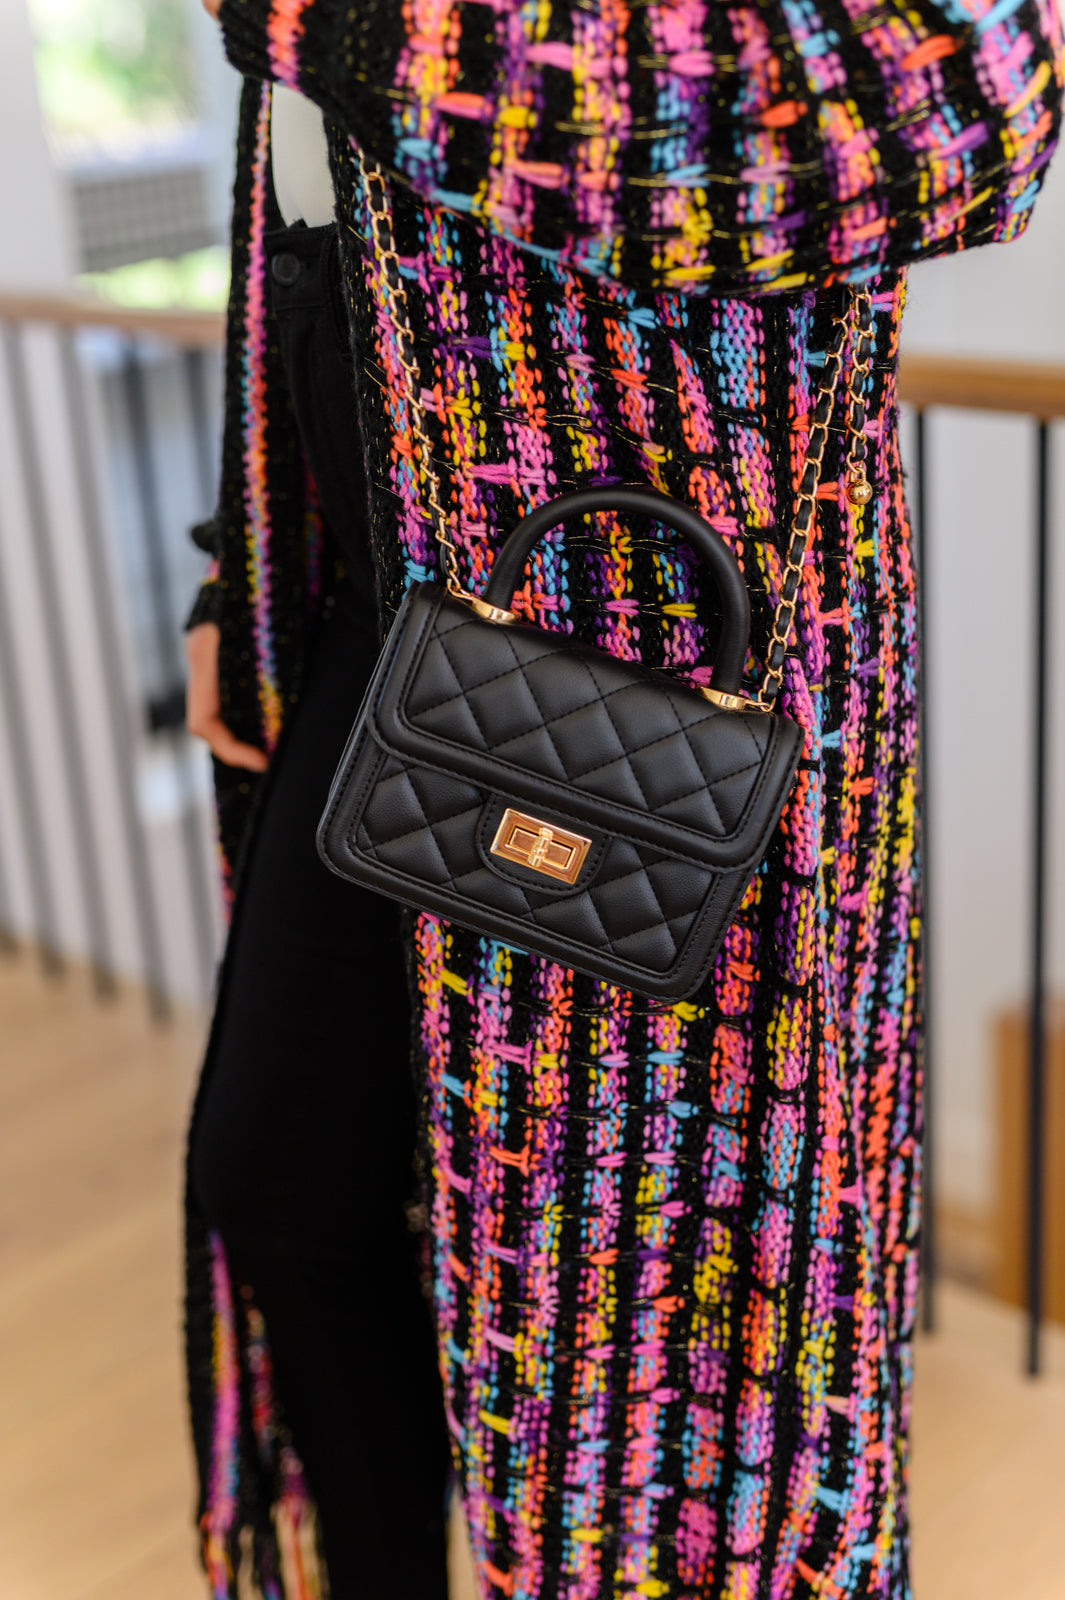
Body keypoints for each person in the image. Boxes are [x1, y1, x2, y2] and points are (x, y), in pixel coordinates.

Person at [184, 3, 1063, 1599]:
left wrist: (332, 20)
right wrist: (233, 561)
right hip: (381, 601)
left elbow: (950, 114)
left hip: (633, 664)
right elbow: (313, 224)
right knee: (284, 1174)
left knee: (634, 1341)